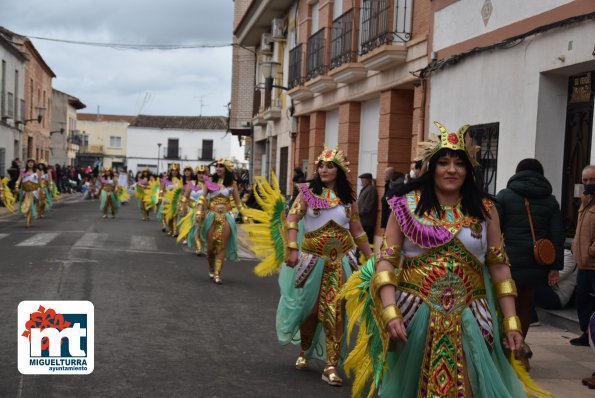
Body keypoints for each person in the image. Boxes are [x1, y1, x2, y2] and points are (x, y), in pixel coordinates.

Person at [341, 122, 546, 397]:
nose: (452, 169)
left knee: (470, 387)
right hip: (414, 314)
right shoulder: (405, 205)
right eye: (444, 162)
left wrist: (511, 321)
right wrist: (390, 310)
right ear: (431, 167)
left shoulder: (485, 210)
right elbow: (387, 261)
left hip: (472, 314)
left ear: (469, 169)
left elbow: (498, 266)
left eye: (460, 163)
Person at [273, 145, 372, 387]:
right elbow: (293, 220)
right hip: (312, 261)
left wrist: (372, 258)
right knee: (312, 312)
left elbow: (357, 231)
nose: (324, 169)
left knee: (336, 311)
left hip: (341, 263)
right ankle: (305, 349)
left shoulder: (349, 199)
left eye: (329, 166)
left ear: (339, 170)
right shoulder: (307, 193)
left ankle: (330, 365)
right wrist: (293, 248)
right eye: (321, 165)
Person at [496, 158, 564, 368]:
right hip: (537, 263)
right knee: (526, 304)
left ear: (518, 172)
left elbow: (495, 229)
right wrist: (555, 266)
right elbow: (557, 235)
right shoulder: (550, 200)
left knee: (506, 305)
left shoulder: (505, 196)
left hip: (509, 262)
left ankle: (507, 350)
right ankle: (520, 348)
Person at [196, 158, 244, 284]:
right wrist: (199, 212)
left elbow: (238, 203)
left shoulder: (232, 184)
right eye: (216, 166)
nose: (218, 168)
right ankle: (211, 267)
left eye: (221, 166)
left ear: (226, 169)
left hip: (226, 216)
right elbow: (202, 198)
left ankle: (217, 273)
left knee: (222, 245)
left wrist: (244, 215)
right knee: (211, 248)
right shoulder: (209, 181)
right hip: (211, 216)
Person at [570, 164, 595, 346]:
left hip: (593, 263)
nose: (588, 183)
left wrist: (590, 251)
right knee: (583, 302)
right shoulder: (585, 201)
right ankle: (586, 334)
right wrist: (574, 247)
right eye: (585, 180)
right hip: (582, 264)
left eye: (592, 180)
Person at [14, 159, 41, 226]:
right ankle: (28, 218)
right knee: (26, 205)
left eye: (32, 162)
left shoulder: (37, 171)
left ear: (34, 164)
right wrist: (17, 186)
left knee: (30, 205)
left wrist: (40, 191)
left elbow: (39, 183)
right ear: (27, 163)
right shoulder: (23, 171)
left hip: (34, 192)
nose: (30, 164)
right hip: (25, 192)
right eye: (29, 162)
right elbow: (19, 179)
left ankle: (28, 221)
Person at [357, 172, 378, 245]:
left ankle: (366, 256)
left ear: (368, 180)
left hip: (367, 222)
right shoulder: (366, 189)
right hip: (363, 221)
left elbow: (367, 207)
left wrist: (357, 213)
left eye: (363, 179)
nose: (361, 181)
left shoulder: (370, 189)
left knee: (366, 242)